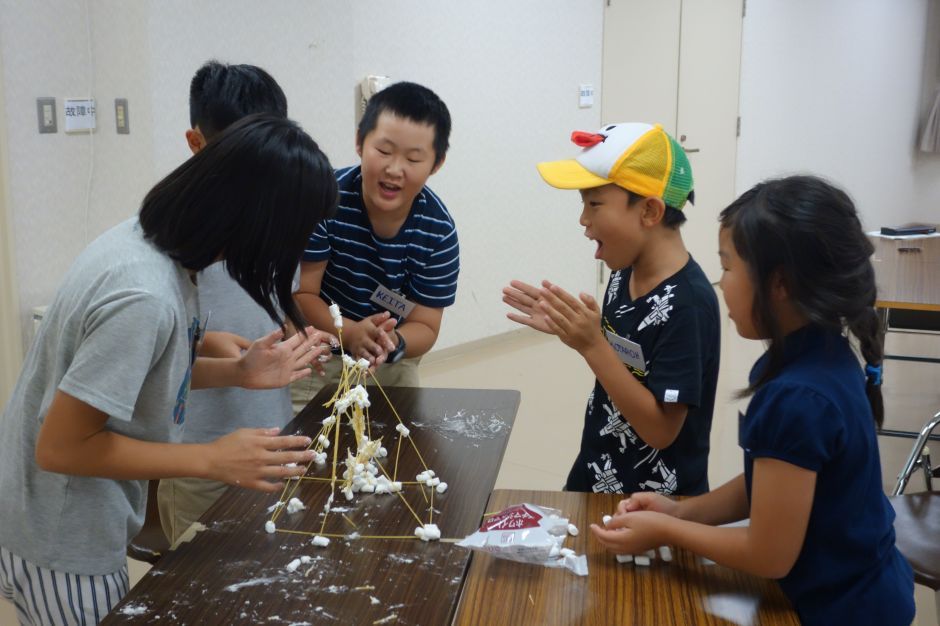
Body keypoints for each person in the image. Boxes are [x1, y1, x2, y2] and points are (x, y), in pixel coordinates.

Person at [0, 115, 338, 626]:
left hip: (52, 520)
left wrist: (238, 371)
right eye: (296, 232)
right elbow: (61, 447)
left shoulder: (153, 244)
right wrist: (210, 458)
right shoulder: (145, 295)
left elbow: (136, 377)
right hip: (62, 540)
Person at [591, 176, 915, 625]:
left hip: (843, 609)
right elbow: (772, 482)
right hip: (864, 589)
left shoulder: (797, 398)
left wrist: (668, 530)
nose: (720, 284)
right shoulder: (814, 355)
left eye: (727, 267)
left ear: (778, 283)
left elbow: (768, 555)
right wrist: (683, 510)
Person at [504, 122, 720, 496]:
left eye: (594, 204)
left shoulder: (689, 306)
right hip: (597, 472)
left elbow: (661, 431)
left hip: (655, 505)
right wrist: (575, 329)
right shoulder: (623, 275)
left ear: (650, 211)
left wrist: (593, 346)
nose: (583, 221)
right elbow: (625, 368)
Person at [157, 60, 322, 547]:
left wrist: (299, 339)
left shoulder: (274, 220)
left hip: (273, 441)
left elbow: (278, 303)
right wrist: (219, 355)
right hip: (199, 455)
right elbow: (163, 355)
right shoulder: (172, 238)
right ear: (197, 144)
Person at [292, 81, 458, 413]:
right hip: (320, 353)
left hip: (391, 361)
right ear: (359, 142)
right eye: (383, 151)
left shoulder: (438, 232)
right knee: (308, 450)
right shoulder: (323, 201)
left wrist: (393, 342)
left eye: (413, 158)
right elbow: (302, 295)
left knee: (397, 454)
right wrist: (349, 333)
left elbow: (425, 324)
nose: (394, 169)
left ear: (436, 164)